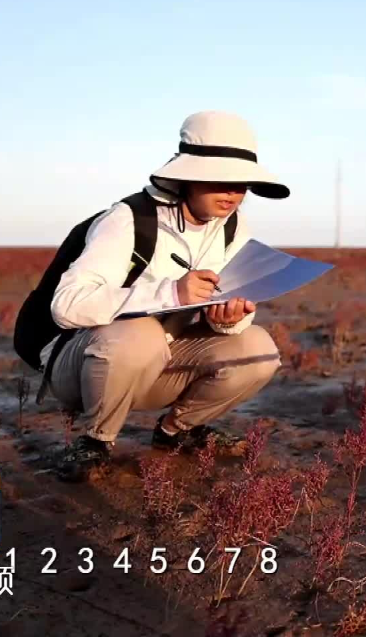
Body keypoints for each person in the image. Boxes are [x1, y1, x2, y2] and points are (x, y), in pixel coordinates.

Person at [46, 111, 289, 482]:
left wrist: (226, 320)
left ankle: (177, 431)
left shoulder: (234, 228)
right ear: (188, 176)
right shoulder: (129, 219)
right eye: (222, 181)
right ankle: (96, 441)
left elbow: (231, 307)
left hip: (162, 363)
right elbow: (66, 305)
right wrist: (170, 292)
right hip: (85, 368)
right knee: (141, 335)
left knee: (257, 348)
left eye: (243, 184)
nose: (234, 194)